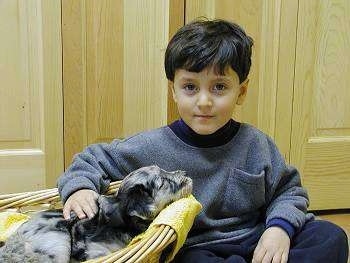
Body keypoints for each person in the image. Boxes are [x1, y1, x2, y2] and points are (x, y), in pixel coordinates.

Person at [58, 19, 349, 263]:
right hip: (198, 249)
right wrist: (79, 188)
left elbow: (289, 192)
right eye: (190, 87)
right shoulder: (149, 146)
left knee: (331, 237)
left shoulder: (257, 144)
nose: (205, 101)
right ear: (173, 91)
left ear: (242, 92)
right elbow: (91, 159)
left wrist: (279, 230)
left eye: (219, 87)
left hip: (259, 240)